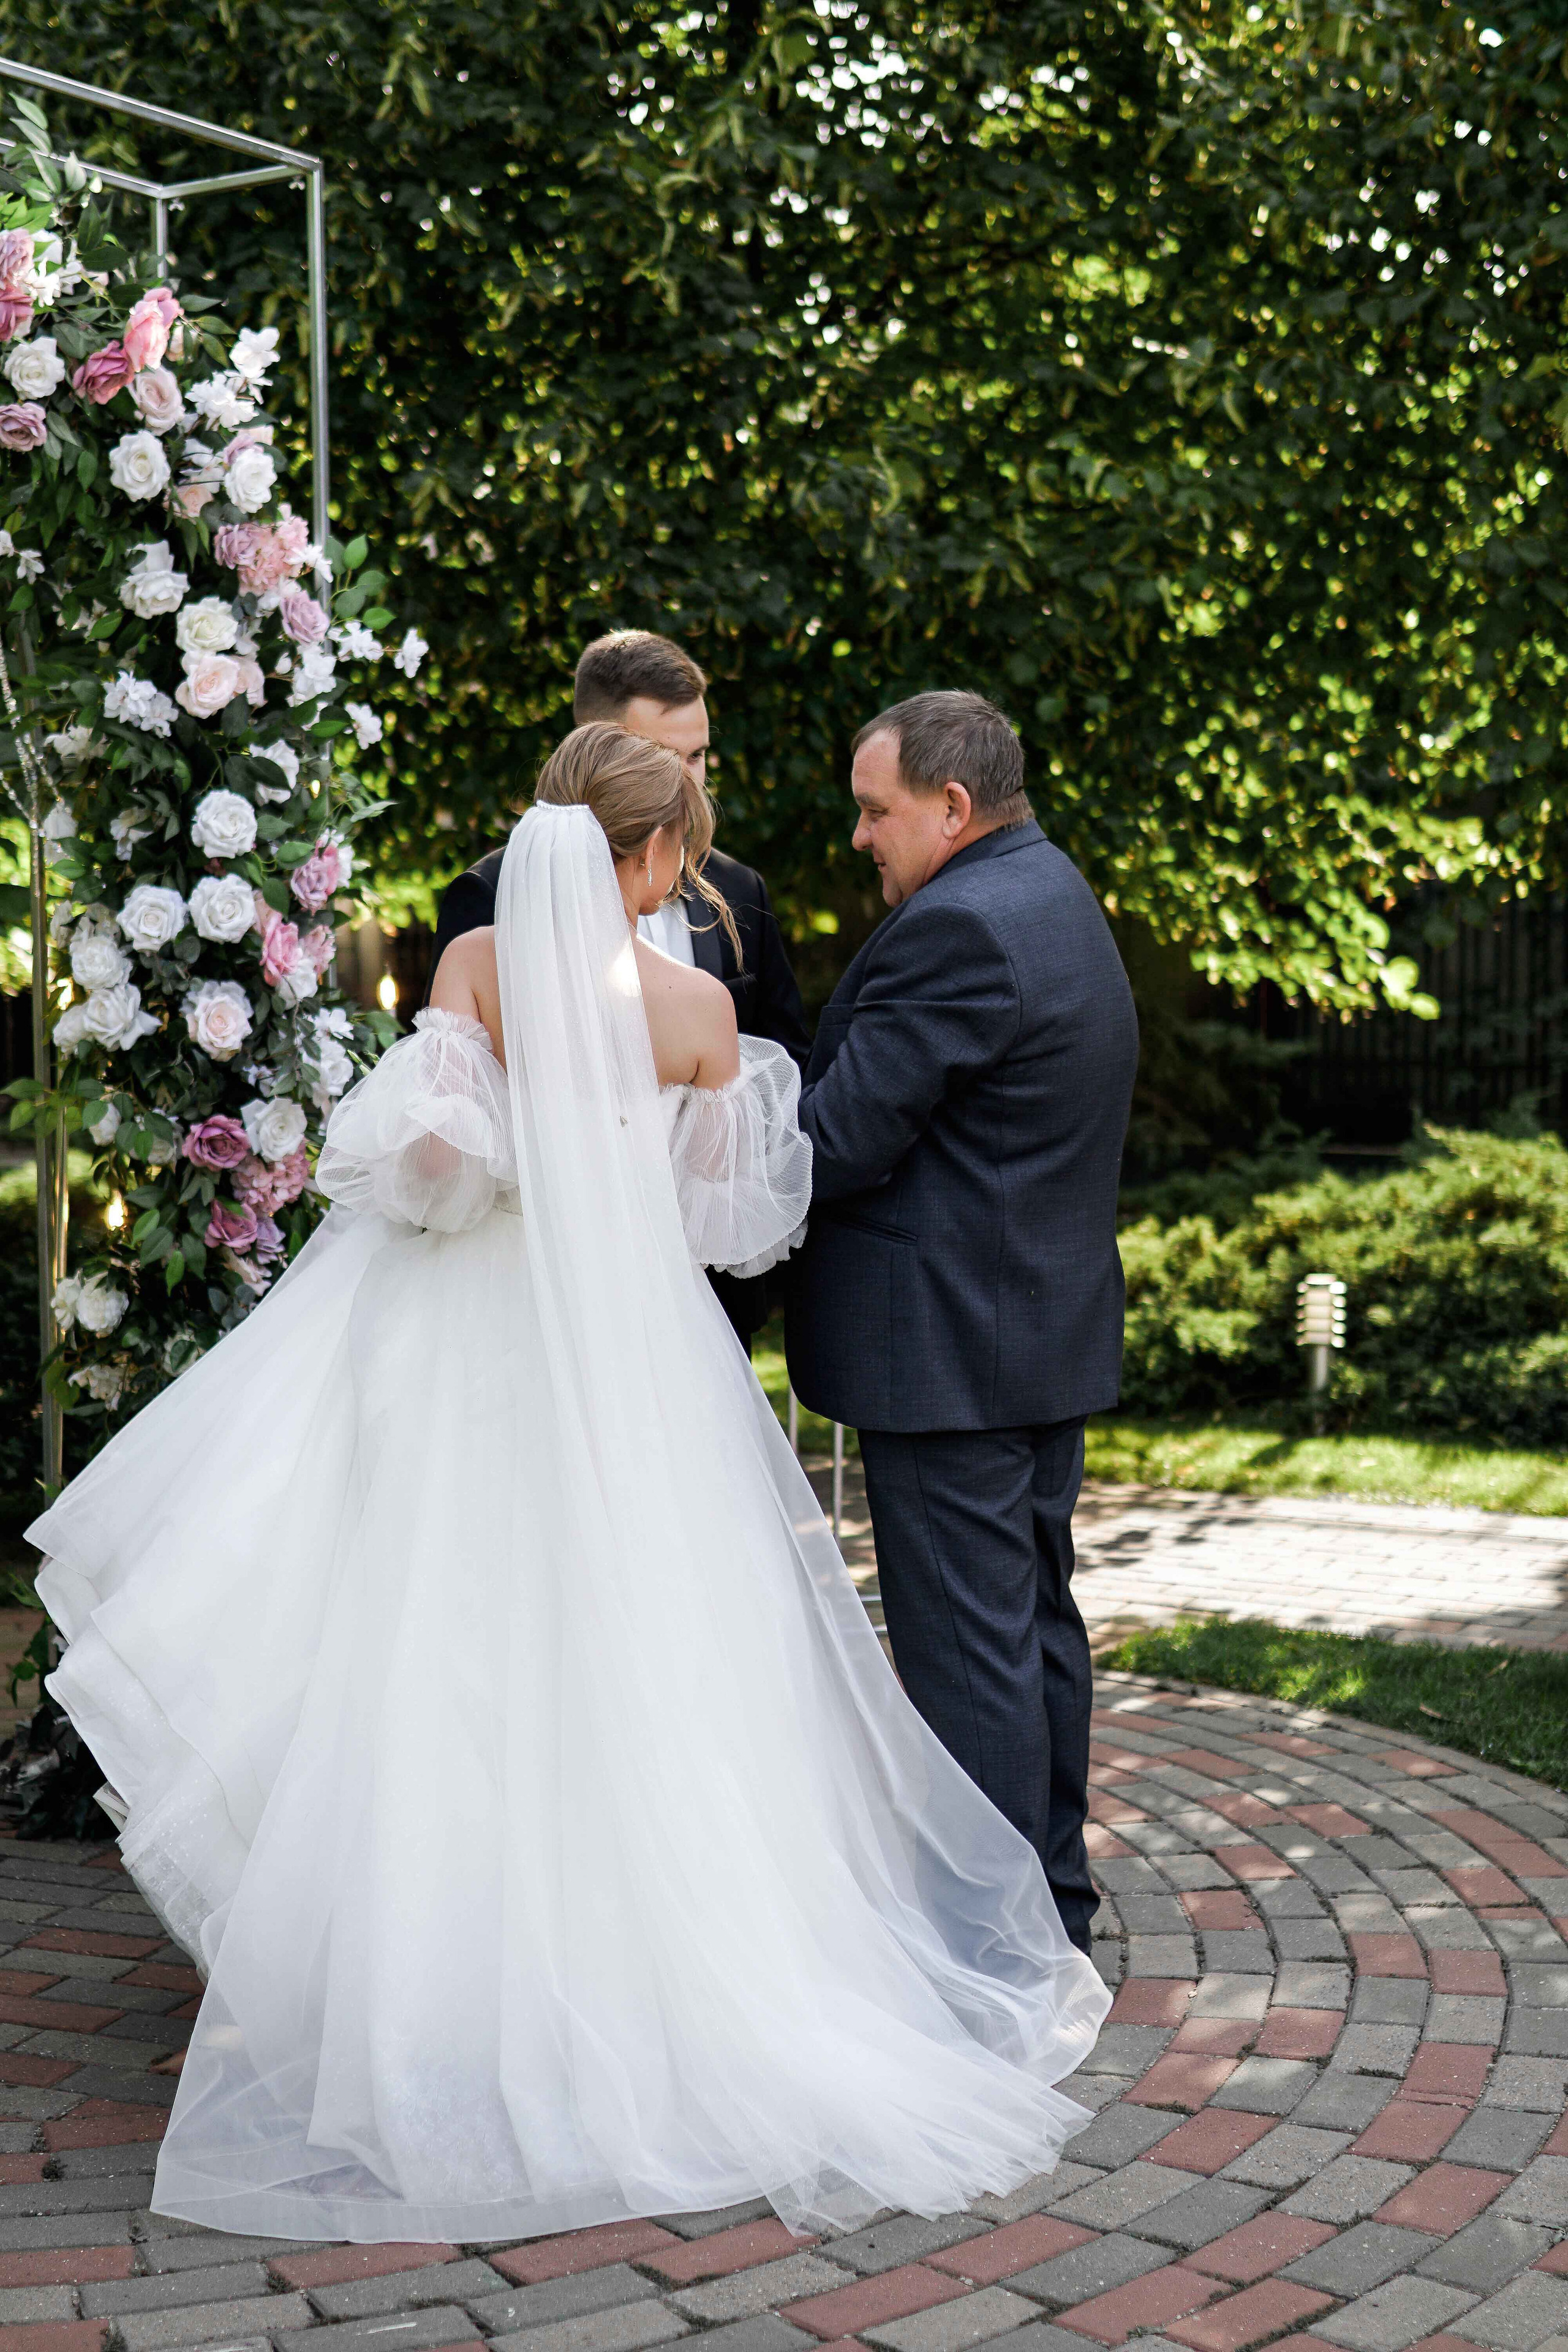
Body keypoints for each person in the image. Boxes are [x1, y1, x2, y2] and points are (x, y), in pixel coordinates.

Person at [27, 722, 1109, 2247]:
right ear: (663, 856)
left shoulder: (465, 976)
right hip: (629, 1367)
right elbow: (733, 1224)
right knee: (636, 1662)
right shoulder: (694, 1009)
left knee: (427, 1659)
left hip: (455, 1350)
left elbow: (420, 1184)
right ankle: (633, 1987)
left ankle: (426, 2002)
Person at [786, 691, 1139, 1958]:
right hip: (1026, 1331)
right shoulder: (1048, 890)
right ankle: (1048, 1909)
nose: (860, 837)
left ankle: (994, 1948)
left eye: (874, 813)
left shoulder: (959, 930)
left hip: (946, 1351)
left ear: (948, 807)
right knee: (1032, 1629)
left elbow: (836, 1139)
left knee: (967, 1657)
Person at [431, 629, 812, 1350]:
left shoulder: (738, 888)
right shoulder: (488, 895)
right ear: (598, 748)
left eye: (698, 756)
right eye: (663, 761)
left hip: (683, 1300)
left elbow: (785, 1062)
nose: (688, 784)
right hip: (514, 1290)